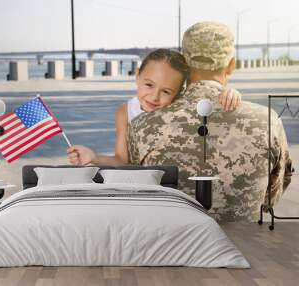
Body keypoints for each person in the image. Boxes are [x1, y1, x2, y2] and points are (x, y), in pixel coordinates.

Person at [128, 22, 293, 222]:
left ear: (184, 63)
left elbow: (136, 193)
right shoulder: (268, 121)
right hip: (243, 248)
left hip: (171, 248)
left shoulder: (142, 126)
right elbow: (270, 198)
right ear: (232, 64)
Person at [67, 49, 242, 166]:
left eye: (166, 91)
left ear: (178, 93)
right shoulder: (125, 111)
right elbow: (121, 160)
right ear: (137, 76)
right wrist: (93, 156)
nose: (154, 97)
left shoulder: (180, 106)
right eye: (149, 85)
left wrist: (230, 93)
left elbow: (207, 103)